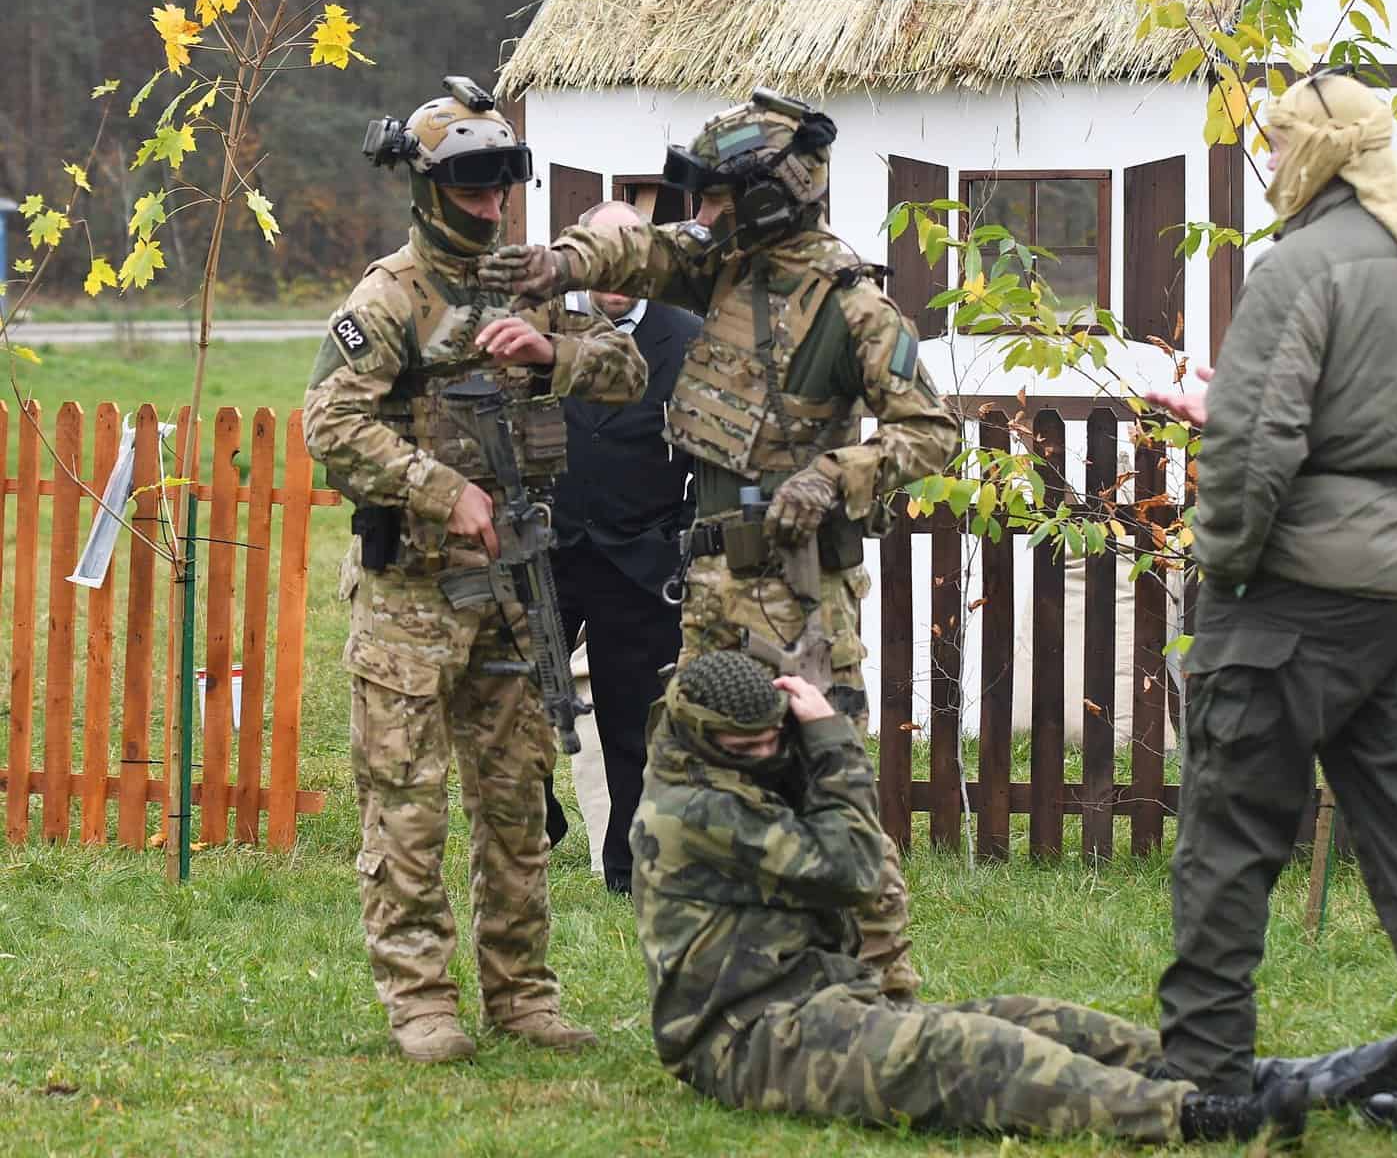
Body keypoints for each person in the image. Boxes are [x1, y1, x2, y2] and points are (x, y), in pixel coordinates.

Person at [478, 88, 959, 998]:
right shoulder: (726, 270)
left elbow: (932, 432)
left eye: (715, 197)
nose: (700, 214)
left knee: (821, 785)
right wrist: (557, 262)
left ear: (768, 199)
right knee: (690, 784)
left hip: (798, 591)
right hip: (706, 583)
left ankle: (883, 986)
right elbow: (642, 250)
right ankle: (732, 983)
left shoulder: (852, 305)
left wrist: (835, 475)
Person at [632, 650, 1397, 1146]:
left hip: (822, 1004)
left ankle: (1278, 1076)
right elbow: (853, 866)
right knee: (968, 1053)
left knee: (1036, 1019)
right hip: (744, 1043)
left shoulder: (734, 777)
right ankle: (1198, 1117)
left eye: (773, 739)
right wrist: (831, 743)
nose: (766, 754)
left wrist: (805, 749)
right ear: (700, 738)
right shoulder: (689, 811)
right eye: (746, 747)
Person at [1143, 71, 1397, 1111]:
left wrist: (1227, 564)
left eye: (1282, 142)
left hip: (1299, 596)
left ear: (1322, 154)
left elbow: (1258, 445)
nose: (1271, 161)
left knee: (1230, 836)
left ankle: (1206, 1078)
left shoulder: (1302, 266)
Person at [304, 78, 647, 1063]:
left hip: (513, 590)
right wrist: (437, 488)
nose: (492, 203)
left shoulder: (525, 284)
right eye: (471, 185)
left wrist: (548, 354)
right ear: (427, 188)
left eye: (502, 183)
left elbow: (628, 373)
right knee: (406, 806)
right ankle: (421, 1002)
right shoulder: (390, 296)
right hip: (412, 593)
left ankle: (522, 995)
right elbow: (329, 425)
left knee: (516, 804)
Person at [540, 200, 703, 894]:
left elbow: (710, 452)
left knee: (632, 723)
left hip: (640, 560)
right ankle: (538, 817)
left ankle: (627, 869)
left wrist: (680, 538)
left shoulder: (686, 338)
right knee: (510, 698)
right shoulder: (537, 324)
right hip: (544, 550)